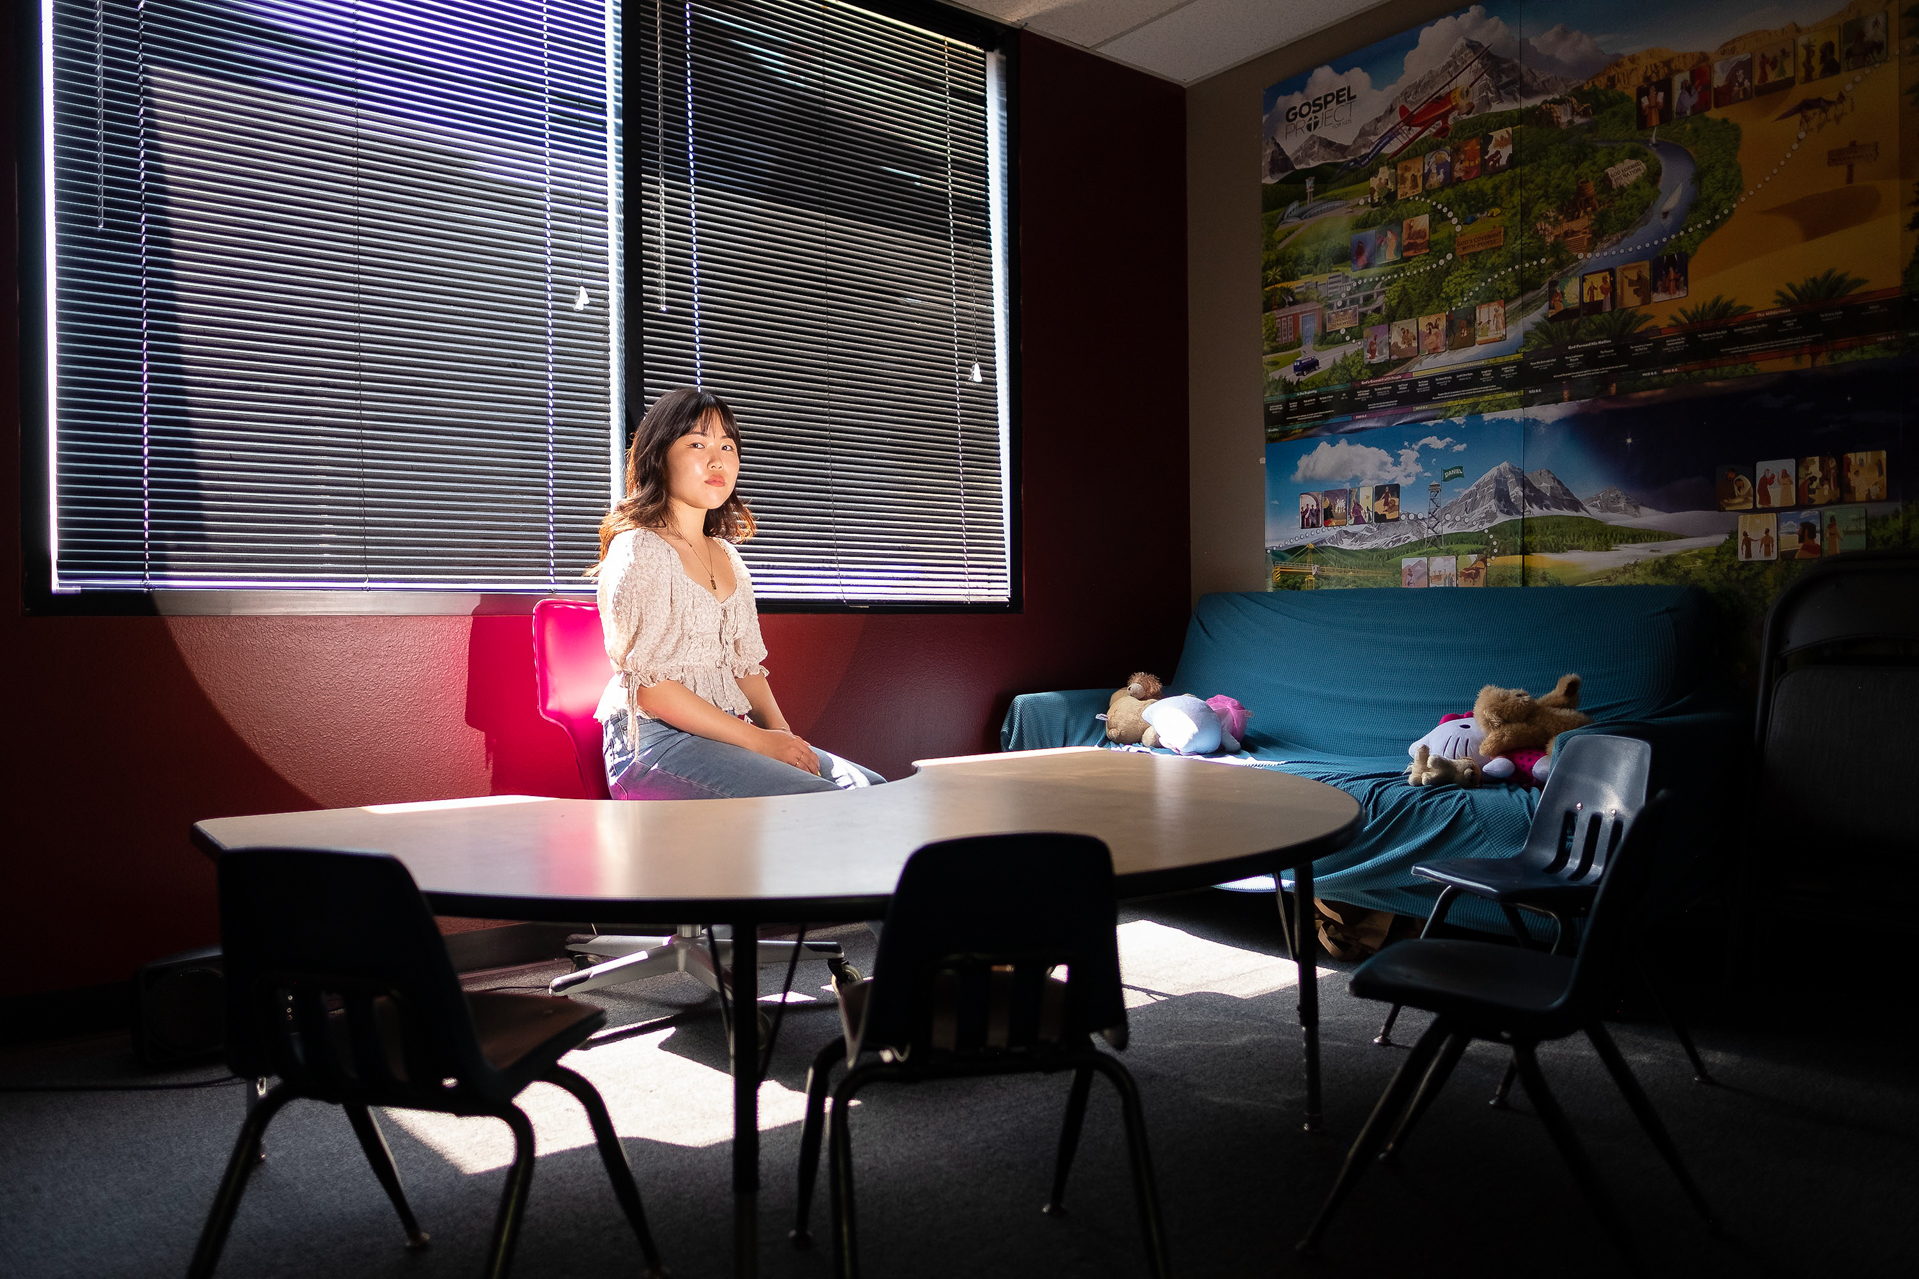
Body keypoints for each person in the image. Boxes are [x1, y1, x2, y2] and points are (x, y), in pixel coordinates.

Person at [589, 388, 886, 800]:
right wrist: (762, 744)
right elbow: (653, 690)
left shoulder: (727, 555)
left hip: (728, 735)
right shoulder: (639, 547)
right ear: (658, 455)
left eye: (727, 446)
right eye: (697, 443)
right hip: (654, 744)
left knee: (875, 790)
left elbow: (745, 669)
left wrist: (782, 736)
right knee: (818, 801)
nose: (717, 460)